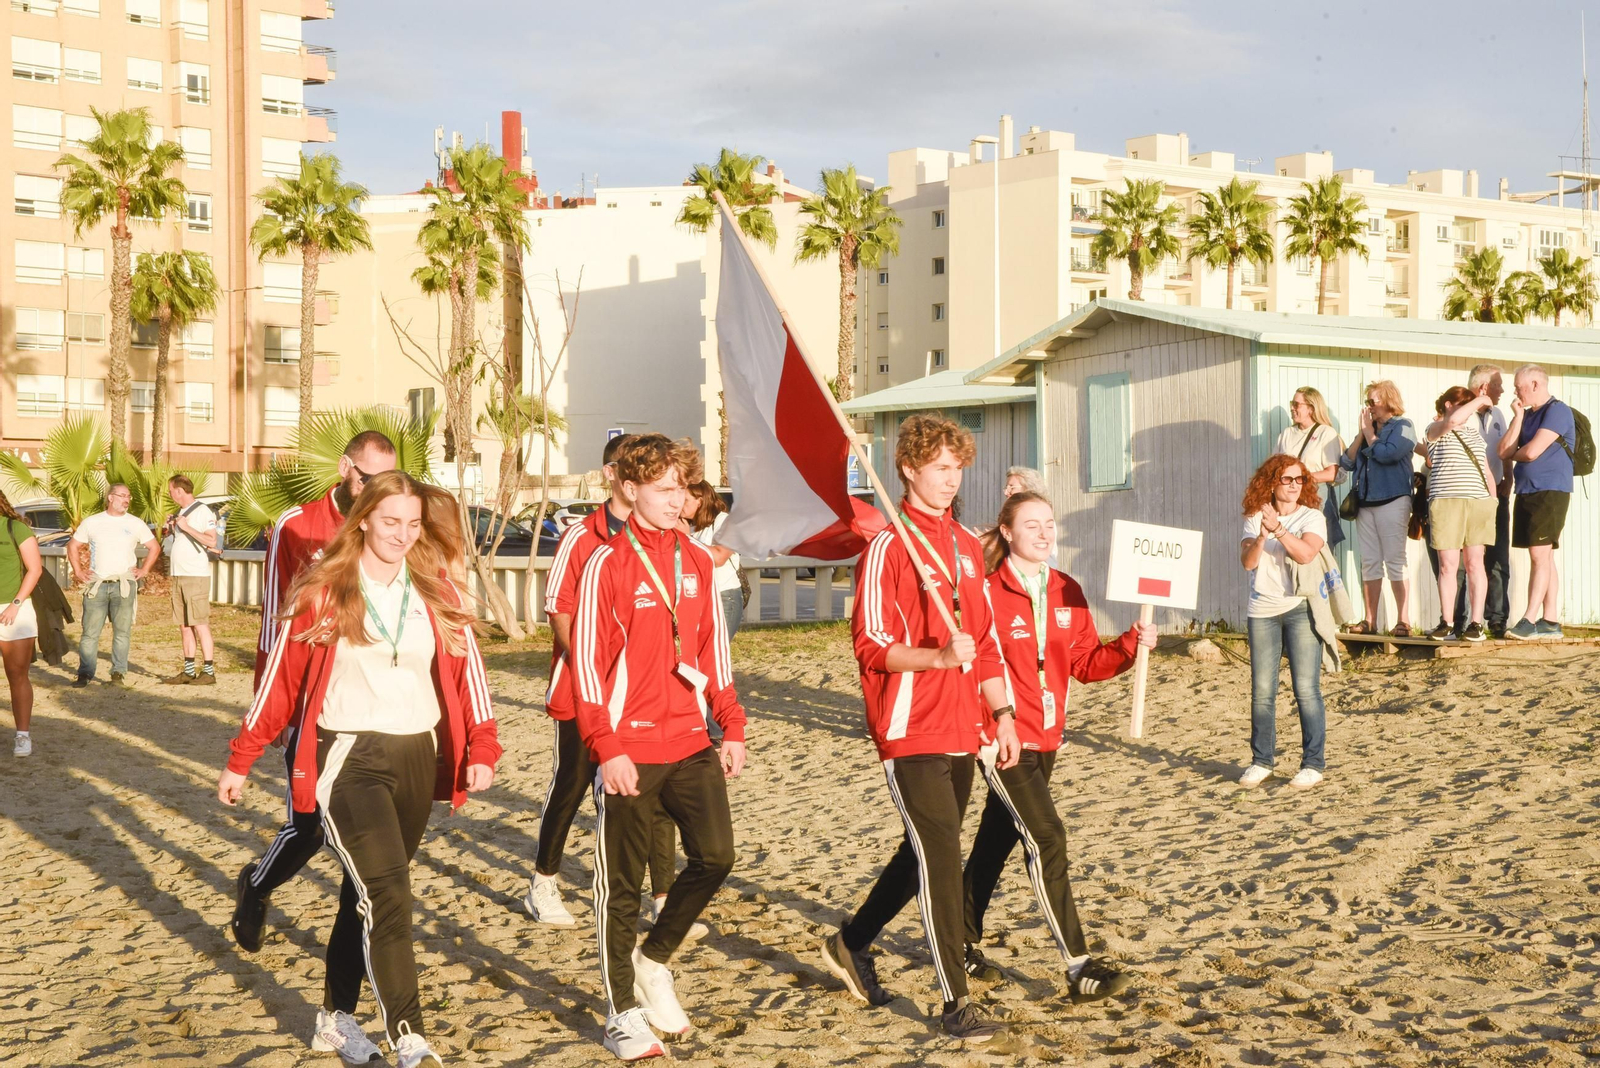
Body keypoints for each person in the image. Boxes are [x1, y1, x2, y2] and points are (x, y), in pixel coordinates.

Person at [217, 471, 499, 1068]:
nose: (402, 533)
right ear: (364, 517)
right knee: (390, 892)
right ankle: (409, 1038)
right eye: (390, 520)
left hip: (417, 754)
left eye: (413, 523)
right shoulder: (324, 589)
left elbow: (469, 672)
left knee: (363, 892)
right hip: (347, 756)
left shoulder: (436, 589)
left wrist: (482, 745)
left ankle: (334, 1019)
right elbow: (281, 681)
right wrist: (243, 757)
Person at [820, 414, 1019, 1044]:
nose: (949, 478)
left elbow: (984, 645)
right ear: (908, 469)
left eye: (957, 468)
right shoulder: (889, 545)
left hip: (965, 725)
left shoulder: (965, 545)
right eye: (939, 467)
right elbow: (871, 644)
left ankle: (851, 942)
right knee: (940, 854)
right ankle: (955, 1001)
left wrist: (1003, 714)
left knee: (921, 853)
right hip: (910, 726)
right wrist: (934, 657)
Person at [570, 434, 746, 1061]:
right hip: (629, 749)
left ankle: (653, 958)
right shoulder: (606, 563)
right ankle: (620, 1013)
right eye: (667, 489)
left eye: (687, 489)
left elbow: (712, 655)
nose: (681, 501)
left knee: (717, 857)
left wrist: (732, 724)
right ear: (632, 488)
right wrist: (606, 746)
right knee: (620, 889)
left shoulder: (698, 562)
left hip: (692, 740)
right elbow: (586, 667)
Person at [961, 490, 1152, 1002]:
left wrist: (1132, 642)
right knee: (1047, 837)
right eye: (1032, 525)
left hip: (1048, 738)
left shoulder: (1067, 588)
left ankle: (959, 937)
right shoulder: (985, 589)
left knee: (996, 841)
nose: (1045, 533)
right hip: (1001, 740)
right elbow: (975, 665)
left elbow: (1087, 664)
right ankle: (1078, 966)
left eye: (1050, 523)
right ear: (1006, 531)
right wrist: (994, 721)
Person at [231, 430, 399, 955]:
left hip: (375, 707)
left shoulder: (392, 526)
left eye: (388, 481)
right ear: (346, 467)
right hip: (309, 697)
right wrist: (271, 706)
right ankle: (255, 887)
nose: (377, 490)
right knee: (309, 827)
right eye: (368, 478)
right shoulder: (297, 525)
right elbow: (273, 623)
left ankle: (355, 954)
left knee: (373, 841)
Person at [524, 433, 684, 936]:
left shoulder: (667, 533)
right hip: (584, 689)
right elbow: (560, 613)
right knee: (571, 785)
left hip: (647, 694)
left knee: (653, 795)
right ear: (616, 476)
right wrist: (599, 667)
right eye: (627, 466)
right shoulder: (581, 536)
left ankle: (661, 897)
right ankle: (543, 881)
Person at [1239, 454, 1328, 789]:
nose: (1294, 486)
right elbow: (1248, 563)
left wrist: (1278, 528)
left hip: (1301, 606)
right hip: (1262, 609)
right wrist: (1262, 536)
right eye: (1287, 479)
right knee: (1262, 690)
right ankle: (1262, 761)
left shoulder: (1312, 516)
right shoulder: (1254, 517)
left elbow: (1306, 553)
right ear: (1272, 482)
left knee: (1306, 688)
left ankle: (1313, 764)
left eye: (1299, 479)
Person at [1500, 364, 1576, 640]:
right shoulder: (1528, 415)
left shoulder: (1557, 411)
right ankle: (1550, 620)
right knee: (1546, 556)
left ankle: (1529, 619)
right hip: (1527, 489)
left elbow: (1531, 452)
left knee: (1538, 555)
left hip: (1550, 491)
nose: (1514, 392)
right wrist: (1518, 417)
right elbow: (1502, 450)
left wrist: (1514, 452)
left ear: (1535, 384)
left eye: (1518, 387)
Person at [1338, 380, 1416, 637]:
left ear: (1389, 401)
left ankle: (1403, 620)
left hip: (1393, 499)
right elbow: (1346, 462)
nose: (1369, 406)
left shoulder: (1403, 426)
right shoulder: (1368, 429)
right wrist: (1362, 433)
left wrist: (1369, 435)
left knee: (1395, 560)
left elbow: (1388, 454)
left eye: (1374, 401)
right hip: (1366, 502)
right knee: (1369, 562)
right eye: (1367, 402)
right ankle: (1370, 620)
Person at [1420, 387, 1496, 642]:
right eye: (1465, 404)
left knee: (1475, 563)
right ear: (1450, 405)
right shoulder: (1435, 429)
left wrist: (1492, 499)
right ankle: (1447, 621)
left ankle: (1476, 623)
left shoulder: (1474, 435)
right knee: (1448, 565)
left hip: (1477, 502)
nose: (1470, 410)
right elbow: (1451, 421)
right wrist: (1481, 399)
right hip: (1446, 502)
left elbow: (1486, 470)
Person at [69, 484, 159, 686]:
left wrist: (144, 570)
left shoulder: (135, 523)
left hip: (123, 584)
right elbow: (73, 545)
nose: (126, 500)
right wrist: (78, 571)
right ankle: (85, 673)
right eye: (122, 496)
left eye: (129, 496)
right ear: (110, 498)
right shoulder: (93, 522)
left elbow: (154, 547)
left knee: (122, 631)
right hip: (97, 585)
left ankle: (118, 672)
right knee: (90, 632)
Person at [1466, 364, 1512, 637]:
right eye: (1498, 384)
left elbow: (1504, 449)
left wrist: (1508, 478)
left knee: (1497, 558)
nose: (1503, 390)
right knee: (1466, 563)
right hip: (1468, 496)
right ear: (1483, 388)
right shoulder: (1461, 413)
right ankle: (1463, 620)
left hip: (1496, 495)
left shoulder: (1499, 415)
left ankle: (1496, 620)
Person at [163, 474, 219, 684]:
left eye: (171, 491)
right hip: (179, 574)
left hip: (195, 575)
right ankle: (188, 670)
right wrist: (170, 529)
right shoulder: (181, 513)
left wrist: (186, 527)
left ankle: (209, 671)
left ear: (179, 490)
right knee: (184, 625)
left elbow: (211, 539)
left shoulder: (203, 511)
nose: (170, 494)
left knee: (200, 623)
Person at [1275, 386, 1347, 548]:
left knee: (1317, 548)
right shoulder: (1286, 434)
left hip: (1315, 496)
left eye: (1296, 404)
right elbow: (1274, 466)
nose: (1292, 408)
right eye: (1292, 403)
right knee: (1290, 546)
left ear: (1311, 408)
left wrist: (1300, 479)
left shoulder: (1325, 433)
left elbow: (1332, 473)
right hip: (1288, 499)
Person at [0, 490, 42, 757]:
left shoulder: (15, 528)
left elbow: (34, 569)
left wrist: (15, 604)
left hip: (13, 609)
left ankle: (23, 736)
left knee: (17, 675)